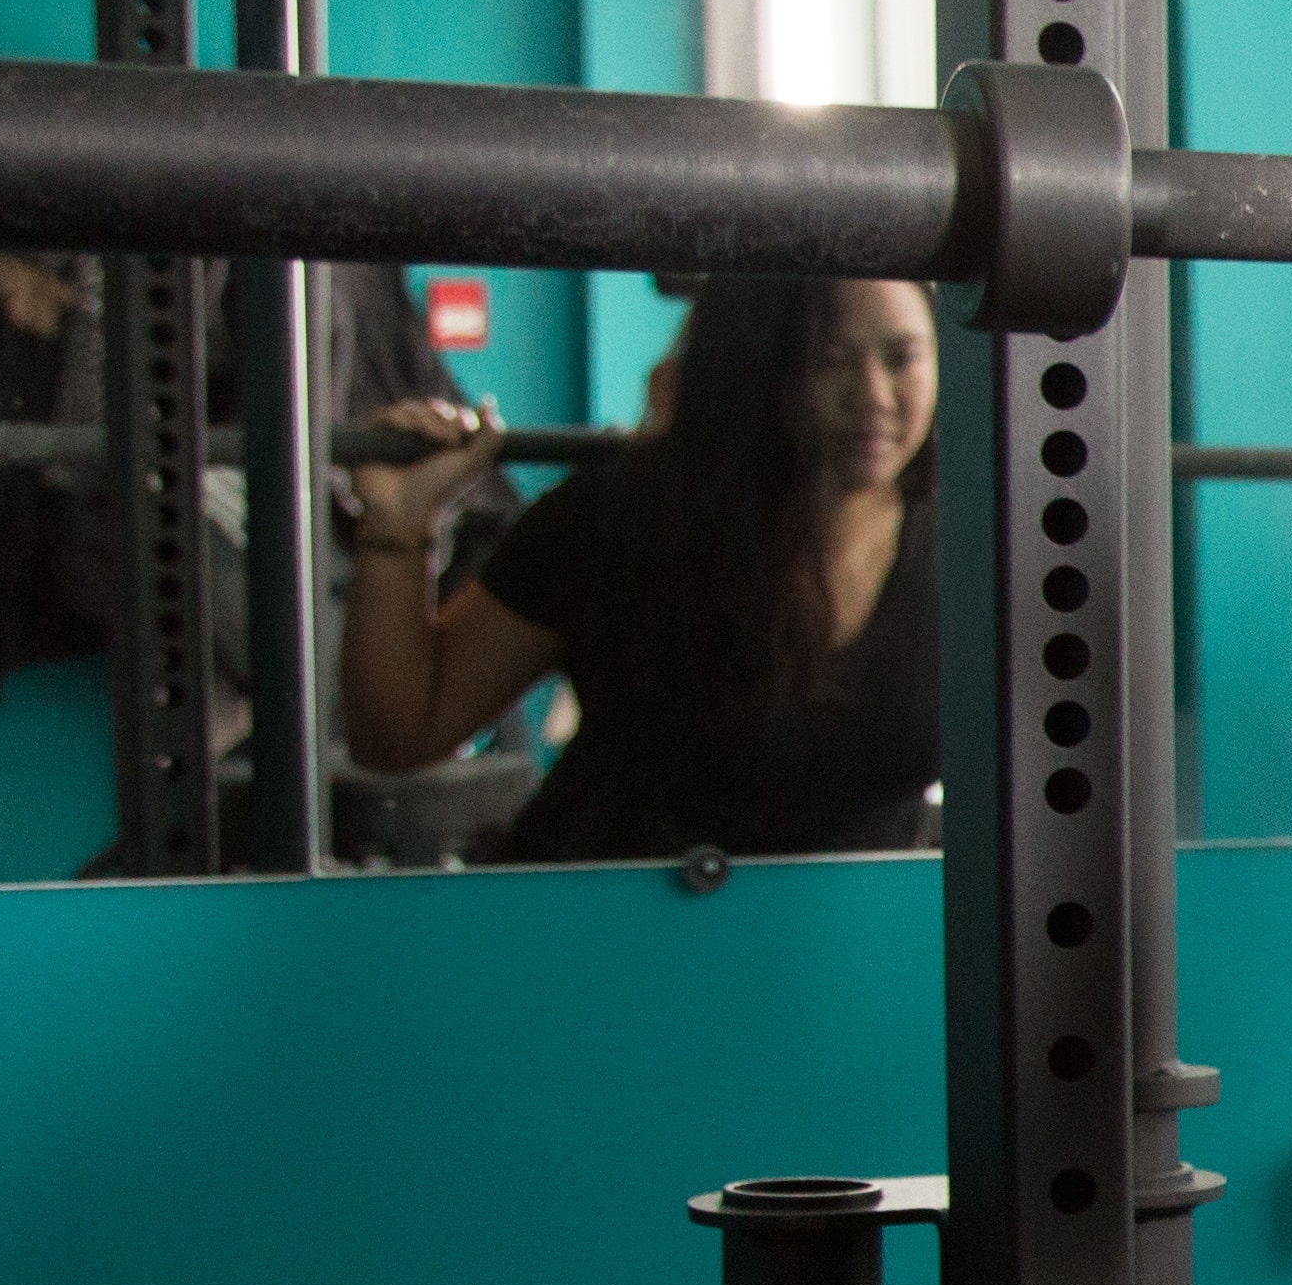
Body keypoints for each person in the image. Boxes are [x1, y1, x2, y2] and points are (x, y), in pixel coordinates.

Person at [336, 278, 942, 864]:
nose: (874, 396)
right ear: (755, 363)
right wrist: (398, 524)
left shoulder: (974, 546)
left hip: (855, 952)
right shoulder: (616, 520)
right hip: (609, 941)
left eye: (902, 358)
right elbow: (400, 730)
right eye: (828, 360)